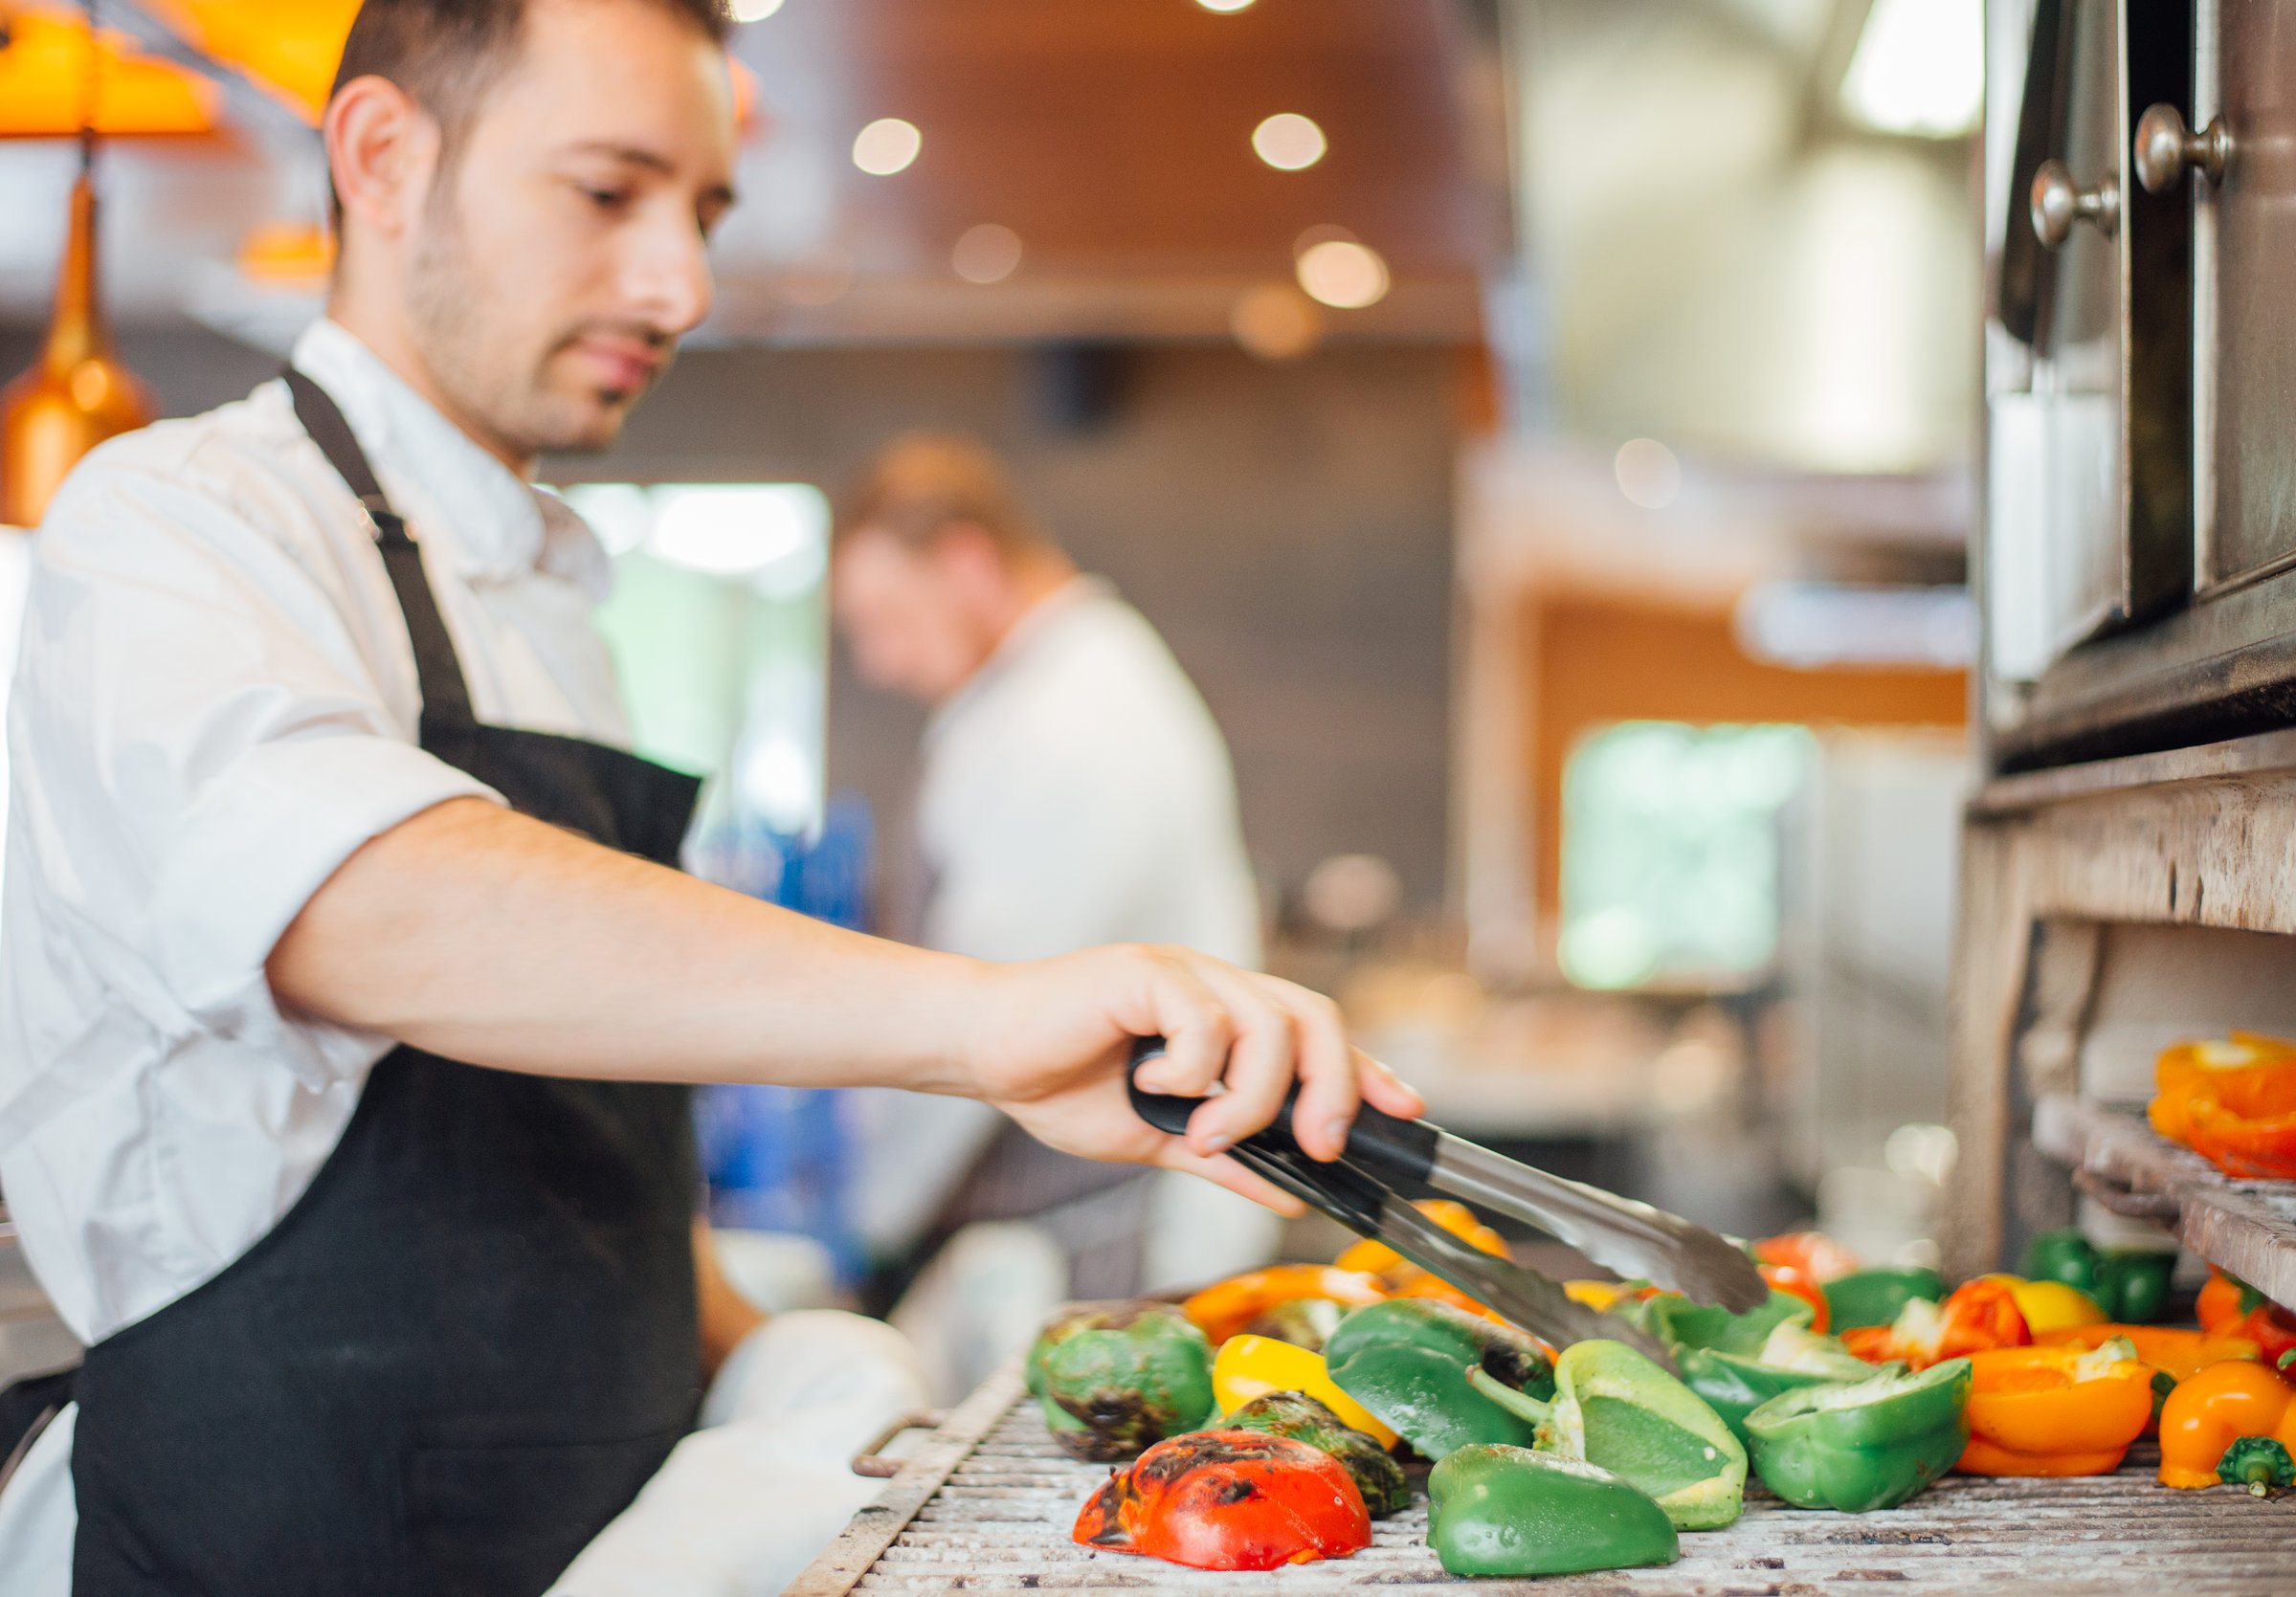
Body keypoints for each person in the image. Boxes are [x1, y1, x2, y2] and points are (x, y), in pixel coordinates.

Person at [0, 3, 1417, 1595]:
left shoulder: (551, 616)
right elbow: (355, 902)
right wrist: (977, 1023)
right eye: (608, 194)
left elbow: (570, 1154)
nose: (679, 285)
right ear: (384, 157)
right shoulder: (179, 523)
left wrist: (803, 1367)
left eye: (706, 212)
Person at [830, 436, 1282, 1392]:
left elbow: (979, 1008)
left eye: (886, 620)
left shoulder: (1073, 721)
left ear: (965, 562)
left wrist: (865, 1223)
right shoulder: (1039, 696)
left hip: (1105, 1237)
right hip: (1061, 1218)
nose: (878, 662)